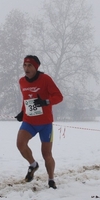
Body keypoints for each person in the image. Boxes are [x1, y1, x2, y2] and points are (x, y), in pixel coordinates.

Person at [15, 55, 63, 189]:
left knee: (46, 154)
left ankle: (51, 179)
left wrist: (46, 102)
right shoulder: (22, 82)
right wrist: (22, 112)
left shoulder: (45, 79)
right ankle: (33, 164)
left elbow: (59, 97)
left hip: (45, 124)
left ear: (36, 67)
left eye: (29, 65)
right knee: (20, 144)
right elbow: (26, 99)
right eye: (24, 65)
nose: (26, 68)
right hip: (29, 122)